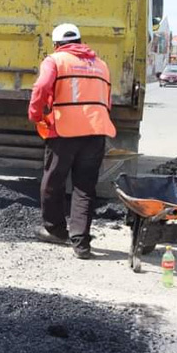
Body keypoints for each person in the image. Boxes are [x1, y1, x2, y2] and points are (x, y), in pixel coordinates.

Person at [28, 23, 116, 259]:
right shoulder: (101, 65)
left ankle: (56, 230)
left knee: (52, 182)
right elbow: (107, 101)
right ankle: (81, 244)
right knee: (85, 187)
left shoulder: (55, 60)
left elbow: (41, 87)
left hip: (65, 131)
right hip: (96, 132)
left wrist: (35, 114)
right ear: (80, 41)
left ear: (57, 44)